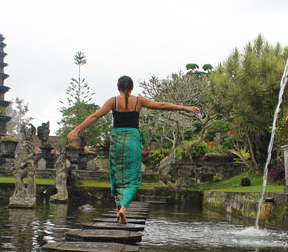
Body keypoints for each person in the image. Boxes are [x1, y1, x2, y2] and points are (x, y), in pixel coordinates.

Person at [67, 75, 200, 224]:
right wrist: (184, 107)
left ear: (118, 88)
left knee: (117, 177)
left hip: (117, 141)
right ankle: (123, 209)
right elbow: (161, 105)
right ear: (132, 88)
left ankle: (119, 211)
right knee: (133, 179)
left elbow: (95, 115)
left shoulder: (113, 102)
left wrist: (76, 130)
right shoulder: (138, 101)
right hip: (132, 141)